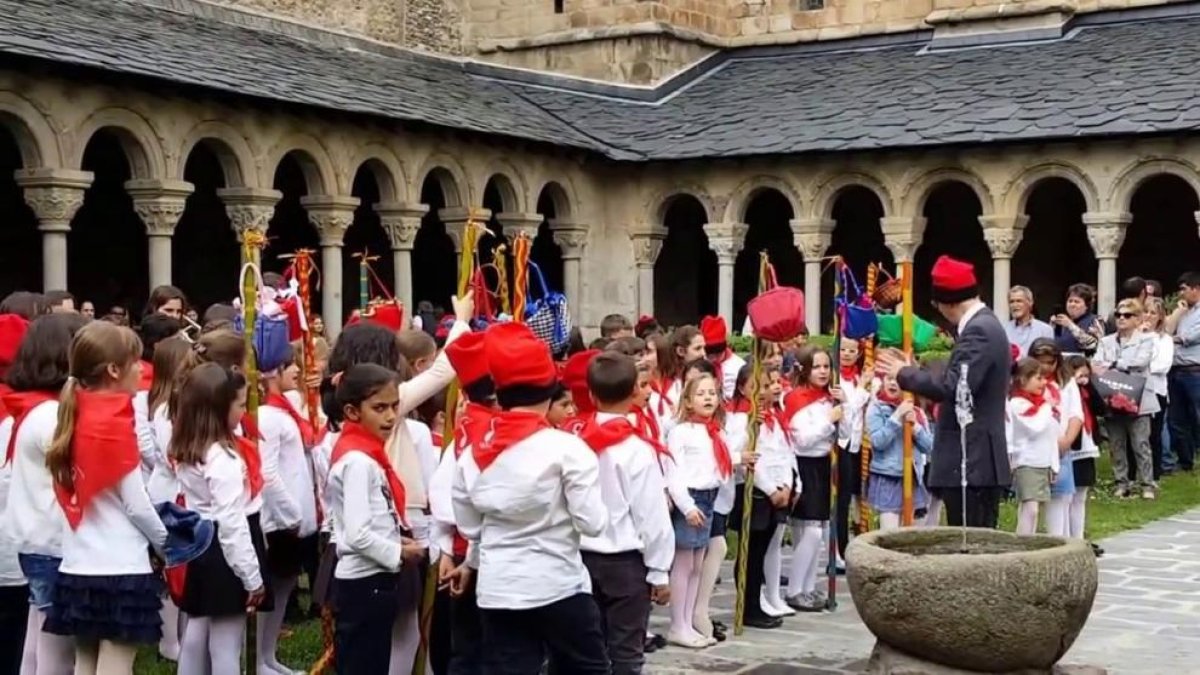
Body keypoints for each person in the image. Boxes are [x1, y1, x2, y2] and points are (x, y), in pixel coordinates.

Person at [452, 322, 609, 674]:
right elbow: (593, 523)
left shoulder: (472, 453)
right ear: (550, 392)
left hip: (499, 588)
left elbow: (469, 526)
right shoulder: (567, 449)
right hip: (559, 584)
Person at [43, 322, 169, 674]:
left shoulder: (72, 415)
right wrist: (167, 544)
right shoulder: (113, 425)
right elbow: (136, 504)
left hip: (77, 564)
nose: (141, 370)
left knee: (86, 665)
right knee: (115, 667)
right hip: (121, 567)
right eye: (135, 362)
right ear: (114, 370)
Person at [878, 255, 1011, 528]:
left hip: (971, 458)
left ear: (948, 303)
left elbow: (954, 387)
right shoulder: (985, 325)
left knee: (971, 547)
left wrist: (903, 374)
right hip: (976, 458)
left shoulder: (979, 331)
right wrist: (916, 370)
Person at [577, 352, 674, 673]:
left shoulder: (575, 443)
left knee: (588, 651)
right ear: (635, 391)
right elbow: (651, 515)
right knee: (626, 652)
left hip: (581, 558)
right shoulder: (636, 450)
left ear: (590, 394)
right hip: (624, 561)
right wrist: (659, 571)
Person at [326, 363, 425, 675]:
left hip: (374, 579)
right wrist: (398, 552)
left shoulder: (367, 454)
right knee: (362, 664)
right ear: (353, 412)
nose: (391, 417)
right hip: (365, 581)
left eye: (395, 406)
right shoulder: (358, 461)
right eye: (379, 408)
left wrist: (396, 538)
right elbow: (357, 533)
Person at [4, 313, 89, 675]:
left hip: (34, 539)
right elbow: (80, 476)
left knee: (37, 642)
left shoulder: (33, 408)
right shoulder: (52, 414)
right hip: (52, 542)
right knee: (57, 654)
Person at [173, 363, 267, 675]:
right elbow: (232, 523)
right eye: (241, 405)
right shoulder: (222, 459)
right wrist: (251, 576)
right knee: (227, 642)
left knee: (197, 628)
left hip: (204, 542)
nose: (245, 411)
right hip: (227, 549)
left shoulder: (192, 448)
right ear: (219, 408)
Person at [429, 332, 494, 675]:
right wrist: (452, 551)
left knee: (469, 646)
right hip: (481, 555)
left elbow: (442, 494)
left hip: (465, 549)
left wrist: (445, 548)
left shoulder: (470, 426)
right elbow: (449, 498)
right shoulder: (488, 433)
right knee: (479, 648)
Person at [258, 346, 318, 675]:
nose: (296, 369)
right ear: (271, 373)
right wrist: (291, 514)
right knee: (273, 590)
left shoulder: (286, 410)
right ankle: (259, 659)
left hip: (294, 520)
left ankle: (269, 656)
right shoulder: (268, 416)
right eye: (288, 365)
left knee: (283, 588)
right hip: (282, 521)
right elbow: (267, 473)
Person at [783, 345, 850, 611]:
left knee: (819, 531)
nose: (823, 372)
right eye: (817, 367)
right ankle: (795, 589)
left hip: (825, 464)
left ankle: (808, 587)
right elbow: (801, 439)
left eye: (826, 366)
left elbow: (845, 434)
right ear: (805, 369)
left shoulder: (829, 398)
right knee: (808, 531)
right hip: (805, 465)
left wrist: (843, 407)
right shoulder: (797, 398)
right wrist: (827, 421)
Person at [664, 373, 728, 648]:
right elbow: (674, 472)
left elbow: (714, 462)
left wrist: (739, 459)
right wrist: (687, 506)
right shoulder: (680, 432)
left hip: (709, 498)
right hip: (690, 499)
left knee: (698, 565)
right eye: (701, 394)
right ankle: (677, 623)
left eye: (712, 393)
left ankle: (689, 621)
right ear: (688, 401)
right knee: (684, 562)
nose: (708, 398)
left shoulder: (715, 430)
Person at [726, 364, 791, 626]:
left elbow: (782, 453)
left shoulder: (774, 416)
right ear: (742, 388)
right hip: (755, 492)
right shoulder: (739, 419)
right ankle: (748, 606)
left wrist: (786, 484)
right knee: (750, 553)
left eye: (766, 387)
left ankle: (756, 601)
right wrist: (770, 488)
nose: (763, 392)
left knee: (761, 551)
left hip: (776, 490)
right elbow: (743, 456)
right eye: (756, 387)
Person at [1093, 298, 1158, 499]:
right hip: (1112, 397)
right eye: (1119, 315)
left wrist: (1111, 363)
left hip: (1139, 399)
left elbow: (1139, 362)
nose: (1121, 318)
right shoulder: (1106, 341)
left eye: (1127, 315)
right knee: (1116, 444)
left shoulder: (1147, 339)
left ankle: (1147, 484)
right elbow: (1095, 363)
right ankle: (1121, 482)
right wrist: (1113, 365)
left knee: (1141, 444)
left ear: (1138, 319)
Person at [865, 370, 934, 530]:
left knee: (910, 533)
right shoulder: (877, 409)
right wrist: (896, 417)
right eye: (889, 378)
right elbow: (878, 442)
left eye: (898, 380)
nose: (893, 383)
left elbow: (929, 446)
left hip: (912, 476)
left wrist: (915, 427)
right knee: (890, 532)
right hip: (889, 477)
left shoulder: (917, 412)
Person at [1028, 339, 1083, 537]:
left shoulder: (1066, 383)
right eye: (1039, 361)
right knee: (1030, 505)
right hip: (1033, 451)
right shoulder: (1024, 383)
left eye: (1049, 362)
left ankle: (1059, 541)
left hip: (1059, 448)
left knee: (1059, 501)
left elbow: (1076, 415)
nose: (1045, 367)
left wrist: (1067, 440)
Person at [1007, 358, 1061, 535]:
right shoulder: (1017, 403)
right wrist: (1047, 406)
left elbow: (1051, 435)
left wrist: (1054, 464)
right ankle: (1023, 542)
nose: (1043, 382)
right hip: (1027, 461)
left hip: (1042, 461)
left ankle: (1026, 539)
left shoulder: (1041, 405)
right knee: (1030, 508)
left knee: (1034, 508)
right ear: (1023, 379)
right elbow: (1034, 427)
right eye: (1038, 378)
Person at [1065, 355, 1103, 547]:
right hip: (1071, 445)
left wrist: (1088, 385)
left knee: (1081, 494)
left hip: (1087, 444)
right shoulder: (1065, 390)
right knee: (1067, 496)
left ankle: (1079, 537)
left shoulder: (1087, 389)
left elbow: (1101, 408)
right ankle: (1067, 537)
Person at [1165, 271, 1200, 473]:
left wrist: (1167, 338)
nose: (1181, 294)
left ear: (1196, 289)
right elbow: (1169, 328)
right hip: (1177, 369)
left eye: (1184, 289)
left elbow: (1189, 337)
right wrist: (1177, 314)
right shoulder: (1184, 311)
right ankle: (1185, 461)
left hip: (1195, 371)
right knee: (1177, 418)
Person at [1143, 297, 1174, 480]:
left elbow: (1161, 365)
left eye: (1153, 312)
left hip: (1156, 390)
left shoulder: (1165, 340)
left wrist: (1141, 365)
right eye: (1146, 311)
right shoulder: (1135, 335)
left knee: (1154, 433)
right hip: (1137, 389)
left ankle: (1155, 472)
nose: (1148, 316)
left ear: (1160, 317)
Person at [699, 315, 745, 400]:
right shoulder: (700, 364)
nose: (714, 359)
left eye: (718, 354)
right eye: (709, 355)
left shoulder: (739, 365)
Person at [1051, 283, 1103, 356]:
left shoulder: (1096, 320)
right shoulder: (1061, 322)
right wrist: (1050, 328)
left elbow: (1093, 345)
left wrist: (1070, 325)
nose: (1072, 304)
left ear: (1086, 306)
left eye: (1077, 302)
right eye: (1070, 301)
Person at [1005, 286, 1054, 358]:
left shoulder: (1045, 330)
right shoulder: (1003, 329)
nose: (1015, 305)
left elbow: (1048, 359)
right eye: (1011, 302)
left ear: (1030, 303)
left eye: (1019, 301)